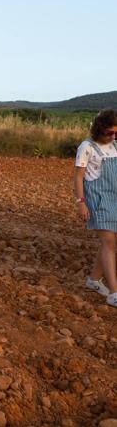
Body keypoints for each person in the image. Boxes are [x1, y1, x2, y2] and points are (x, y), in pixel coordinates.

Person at [74, 110, 117, 308]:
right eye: (110, 132)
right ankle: (114, 293)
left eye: (116, 133)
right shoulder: (87, 147)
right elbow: (78, 177)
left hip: (114, 197)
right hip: (97, 199)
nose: (113, 136)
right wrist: (81, 201)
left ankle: (93, 280)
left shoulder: (115, 145)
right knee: (108, 242)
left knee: (111, 243)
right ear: (99, 129)